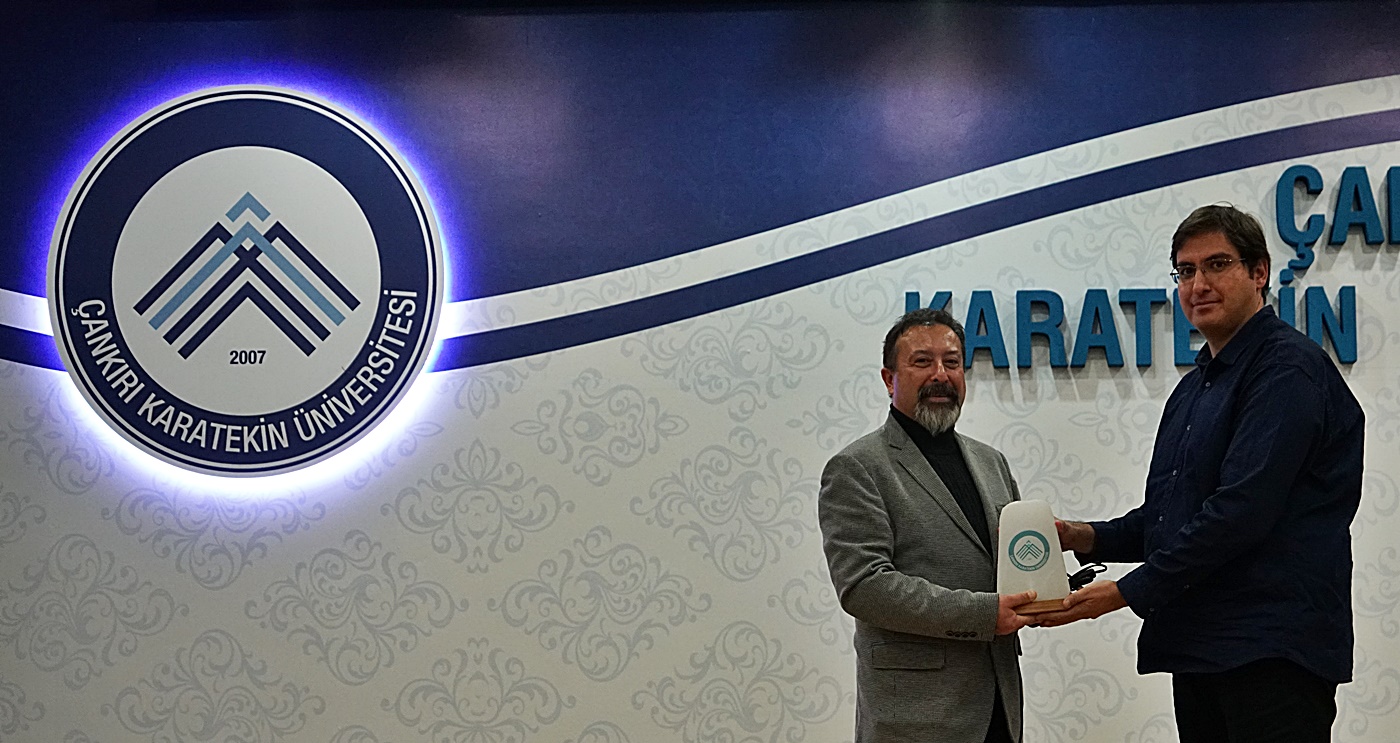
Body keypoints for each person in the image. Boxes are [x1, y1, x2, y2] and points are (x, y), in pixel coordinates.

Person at [1041, 205, 1365, 743]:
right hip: (1200, 647)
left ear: (1259, 272)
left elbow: (1240, 513)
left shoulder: (1286, 369)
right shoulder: (1194, 387)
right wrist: (1083, 535)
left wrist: (1125, 592)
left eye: (1217, 264)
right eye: (1186, 271)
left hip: (1270, 651)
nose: (1199, 285)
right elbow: (1172, 515)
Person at [819, 308, 1037, 743]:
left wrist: (1046, 590)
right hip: (914, 716)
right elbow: (864, 586)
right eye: (922, 362)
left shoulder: (991, 462)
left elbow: (1008, 565)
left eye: (952, 362)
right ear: (889, 379)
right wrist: (983, 613)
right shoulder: (857, 467)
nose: (940, 375)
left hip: (999, 705)